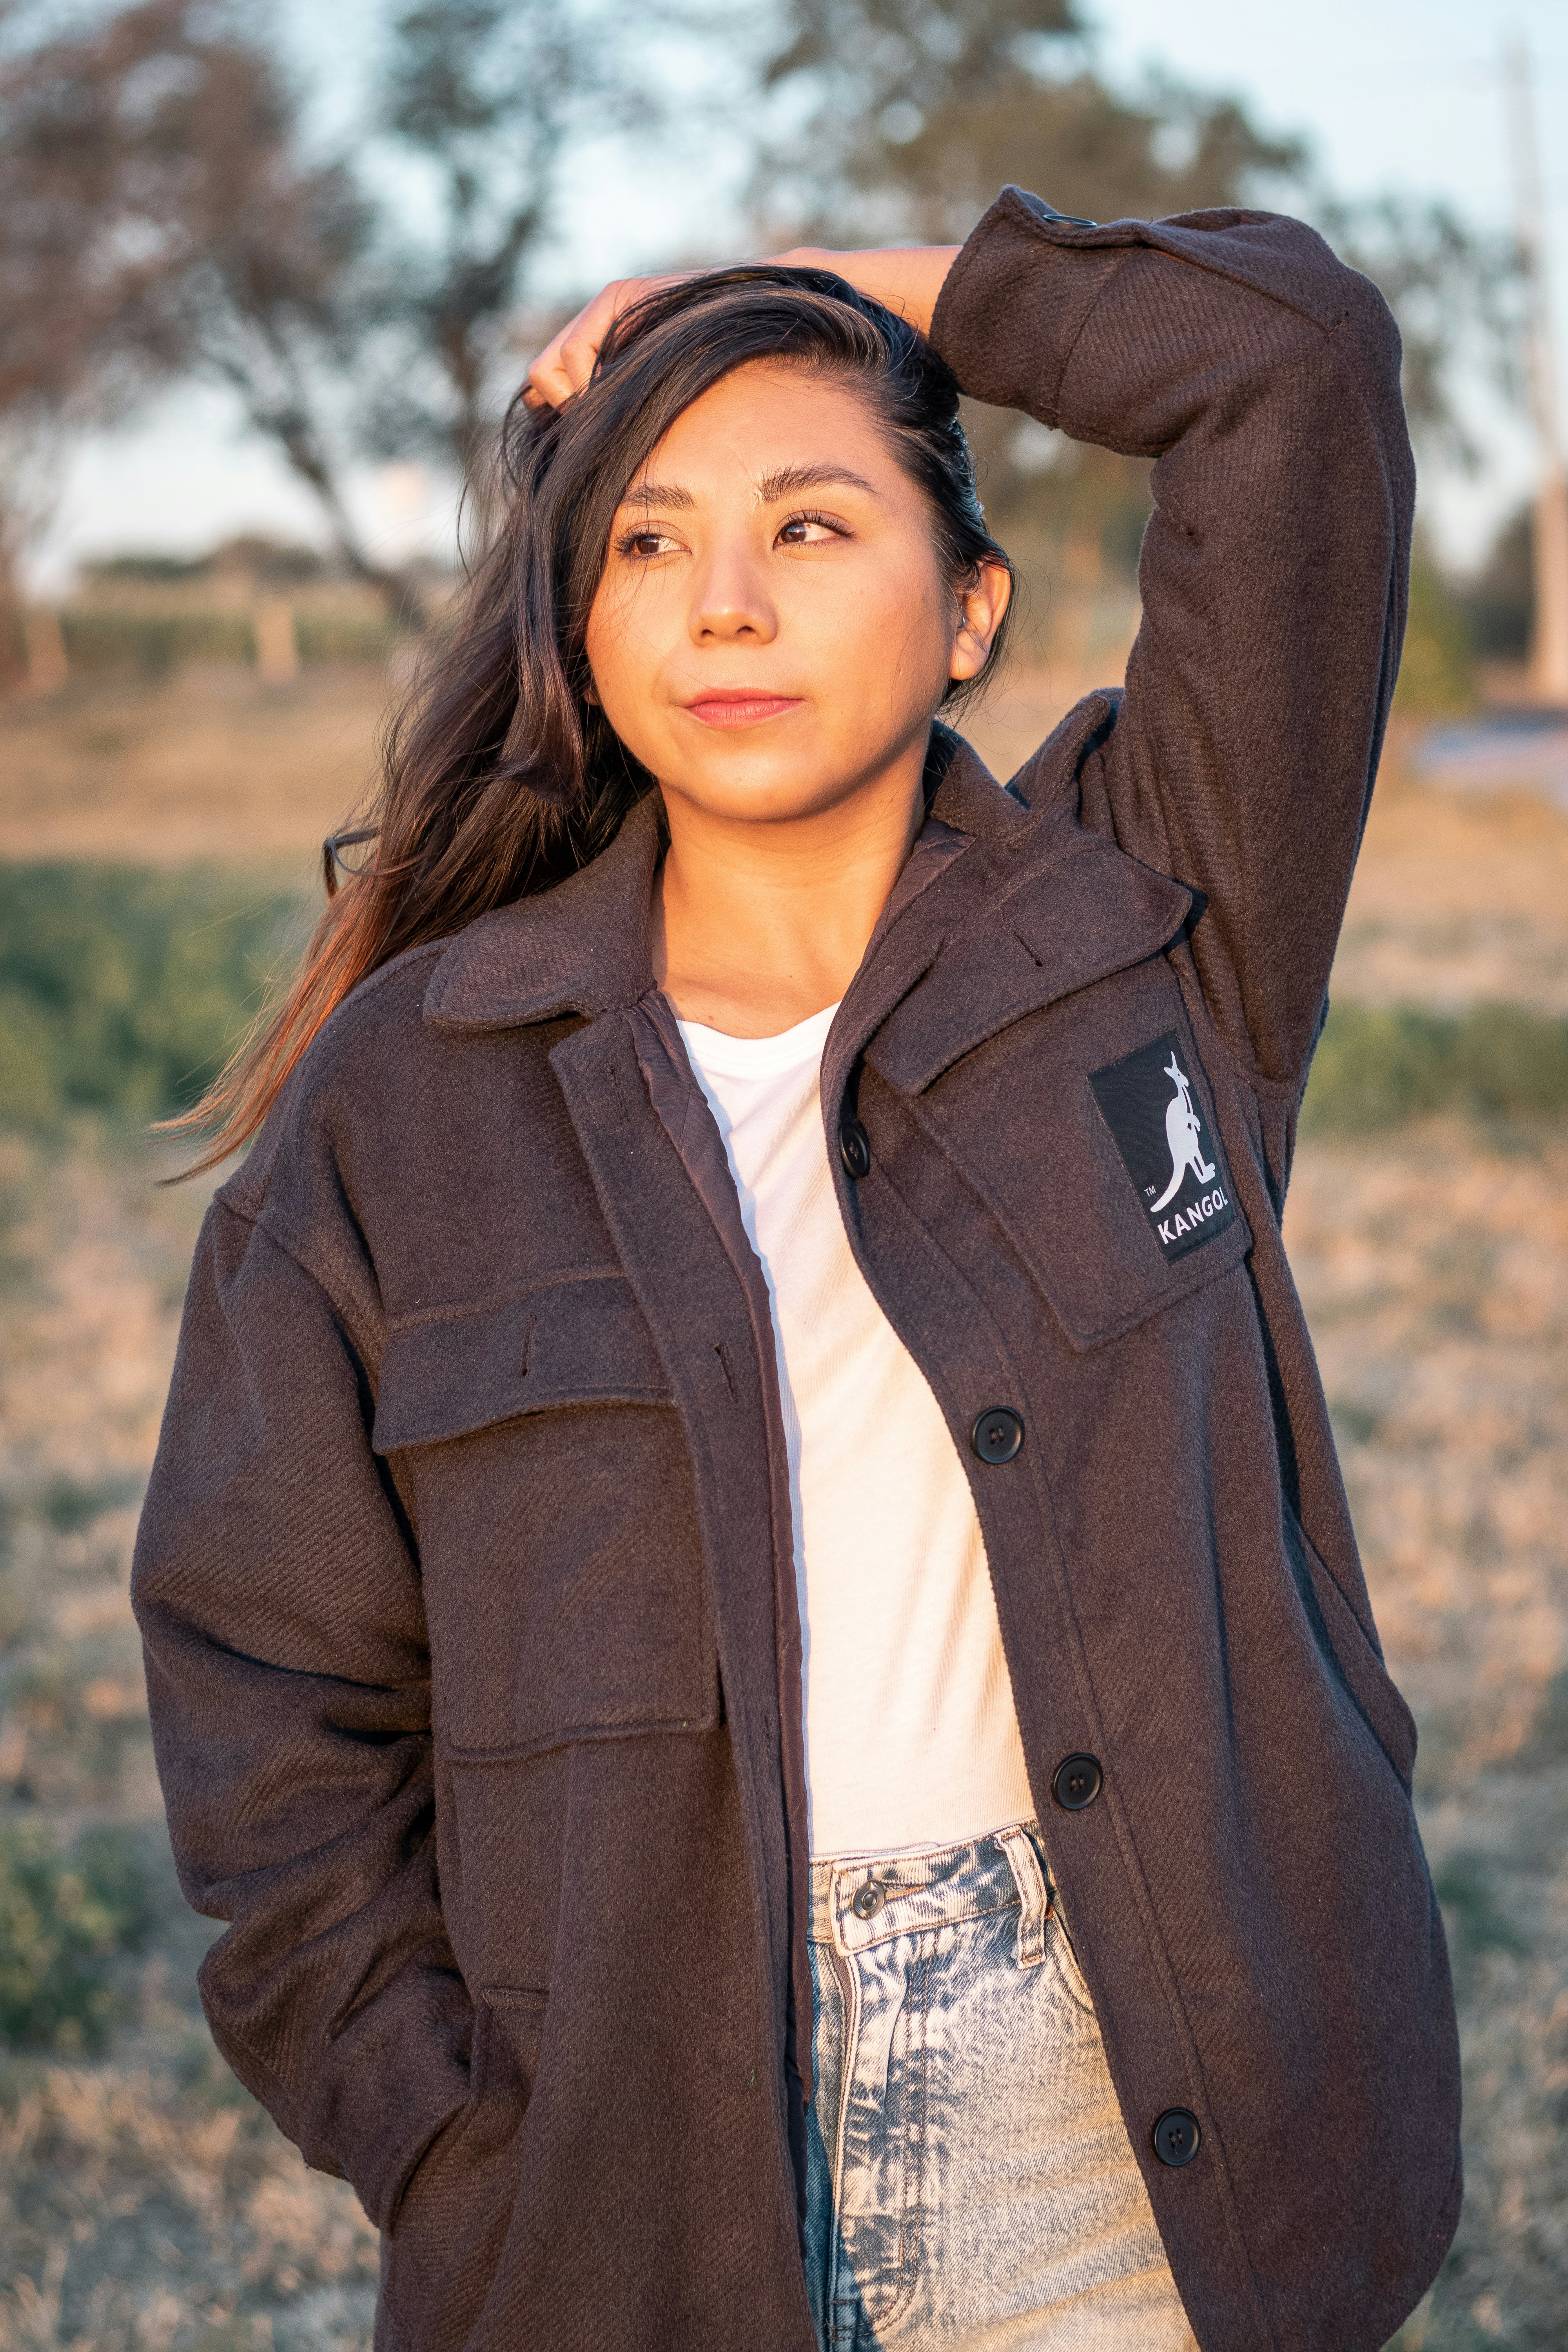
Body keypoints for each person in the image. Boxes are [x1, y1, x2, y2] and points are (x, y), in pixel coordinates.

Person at [132, 187, 1461, 2352]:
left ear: (971, 612)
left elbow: (1288, 367)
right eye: (645, 542)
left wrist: (833, 289)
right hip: (630, 2156)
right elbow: (267, 1687)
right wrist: (445, 2132)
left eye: (814, 526)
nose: (723, 602)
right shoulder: (418, 1099)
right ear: (580, 631)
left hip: (1128, 2124)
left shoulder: (1145, 933)